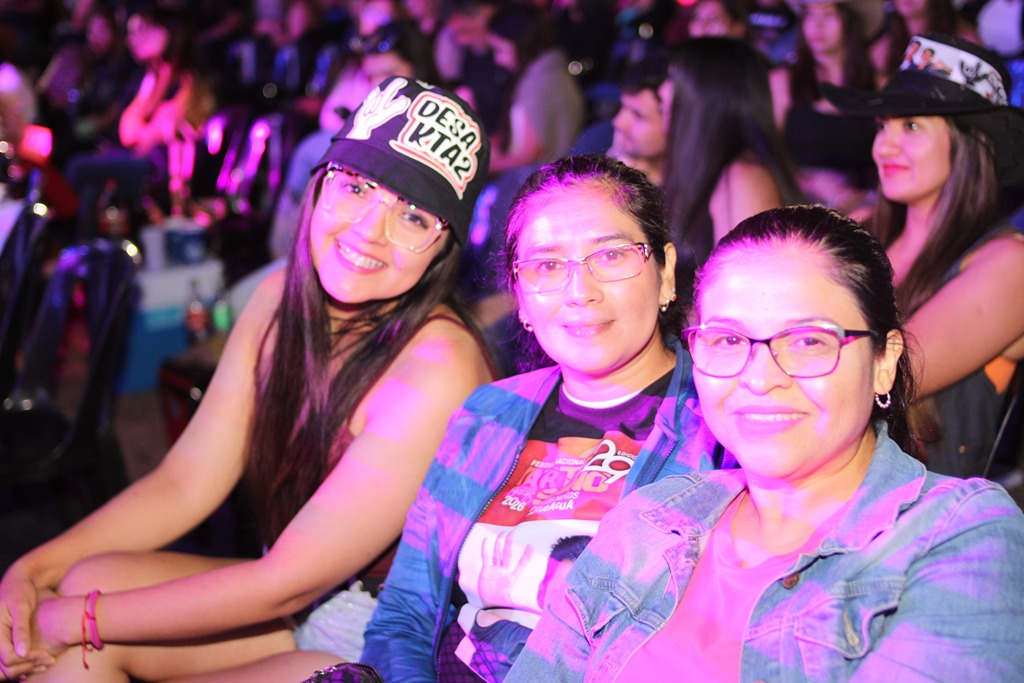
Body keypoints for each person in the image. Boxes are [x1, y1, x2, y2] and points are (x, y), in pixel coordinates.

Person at [0, 76, 495, 682]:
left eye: (414, 216)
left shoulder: (438, 369)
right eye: (356, 186)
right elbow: (186, 481)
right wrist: (32, 572)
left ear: (442, 249)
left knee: (76, 629)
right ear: (320, 182)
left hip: (380, 650)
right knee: (84, 581)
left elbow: (283, 583)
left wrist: (69, 620)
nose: (370, 229)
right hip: (296, 605)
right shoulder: (277, 298)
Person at [506, 204, 1024, 681]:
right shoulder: (648, 519)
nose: (760, 378)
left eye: (807, 341)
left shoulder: (959, 535)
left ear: (884, 362)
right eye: (729, 340)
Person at [360, 154, 734, 682]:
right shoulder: (487, 414)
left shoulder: (721, 427)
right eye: (547, 266)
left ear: (666, 271)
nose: (580, 292)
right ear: (519, 296)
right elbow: (405, 617)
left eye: (611, 255)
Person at [825, 34, 1024, 477]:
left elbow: (883, 377)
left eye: (911, 126)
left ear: (974, 143)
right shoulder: (864, 229)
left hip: (919, 510)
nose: (885, 146)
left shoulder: (1008, 264)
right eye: (883, 126)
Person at [659, 37, 802, 296]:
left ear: (707, 94)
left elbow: (751, 292)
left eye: (673, 78)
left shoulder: (744, 179)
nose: (662, 91)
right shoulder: (704, 172)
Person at [769, 0, 882, 218]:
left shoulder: (878, 84)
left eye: (828, 15)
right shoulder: (783, 81)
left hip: (864, 205)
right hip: (797, 204)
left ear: (850, 22)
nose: (816, 25)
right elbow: (768, 154)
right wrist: (811, 182)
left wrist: (855, 196)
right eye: (809, 15)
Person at [485, 4, 586, 175]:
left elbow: (531, 156)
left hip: (542, 178)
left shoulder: (541, 82)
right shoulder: (547, 70)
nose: (498, 60)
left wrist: (483, 167)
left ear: (521, 44)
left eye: (499, 50)